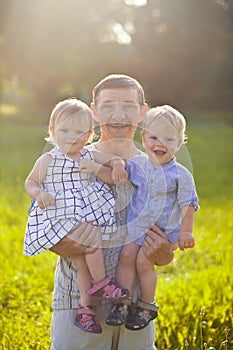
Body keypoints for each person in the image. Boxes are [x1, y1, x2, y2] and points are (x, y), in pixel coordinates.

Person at [25, 74, 174, 350]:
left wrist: (164, 252)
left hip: (134, 307)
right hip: (77, 304)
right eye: (108, 105)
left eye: (129, 106)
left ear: (142, 112)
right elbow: (42, 224)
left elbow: (167, 248)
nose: (118, 115)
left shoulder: (158, 170)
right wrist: (70, 242)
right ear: (93, 112)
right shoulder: (66, 160)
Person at [24, 98, 129, 334]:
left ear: (90, 134)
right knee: (92, 244)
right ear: (52, 131)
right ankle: (102, 285)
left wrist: (119, 165)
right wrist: (38, 193)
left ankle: (85, 310)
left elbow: (113, 162)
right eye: (64, 130)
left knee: (82, 264)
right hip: (64, 215)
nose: (71, 137)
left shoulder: (88, 155)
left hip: (85, 211)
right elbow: (30, 182)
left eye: (79, 131)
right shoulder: (49, 159)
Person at [106, 105, 199, 330]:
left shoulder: (181, 175)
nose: (160, 144)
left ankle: (146, 306)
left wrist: (185, 233)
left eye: (169, 139)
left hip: (162, 232)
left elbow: (188, 205)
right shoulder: (138, 165)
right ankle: (123, 301)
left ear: (179, 142)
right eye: (153, 137)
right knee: (127, 255)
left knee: (143, 262)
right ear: (143, 137)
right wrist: (117, 164)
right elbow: (122, 169)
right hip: (137, 227)